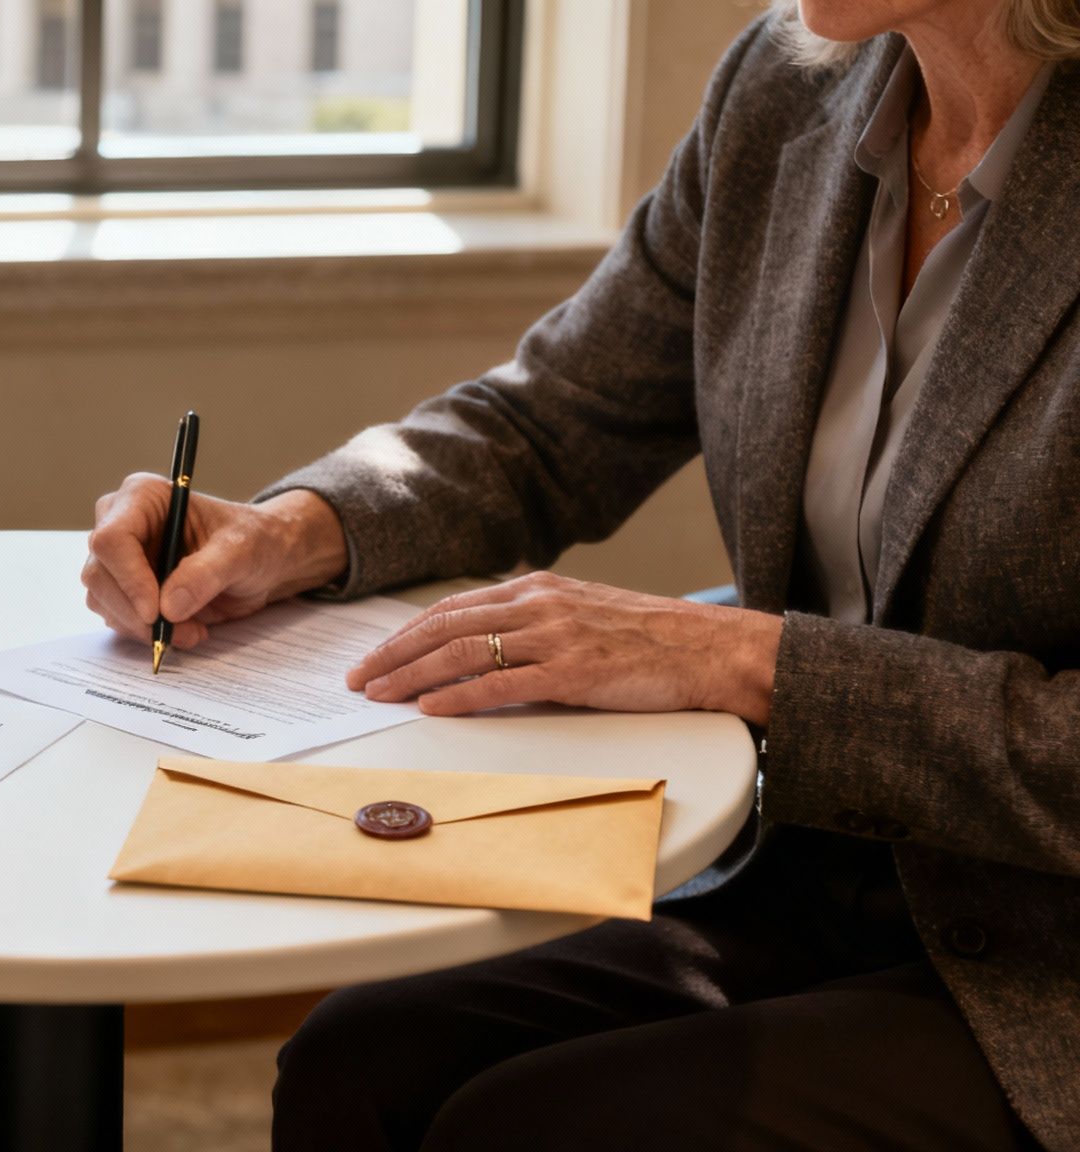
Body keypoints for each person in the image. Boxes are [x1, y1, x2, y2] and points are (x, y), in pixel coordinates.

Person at [83, 0, 1080, 1146]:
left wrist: (756, 664)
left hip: (1045, 936)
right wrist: (292, 528)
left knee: (535, 1129)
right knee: (356, 1061)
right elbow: (557, 419)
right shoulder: (786, 84)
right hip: (807, 852)